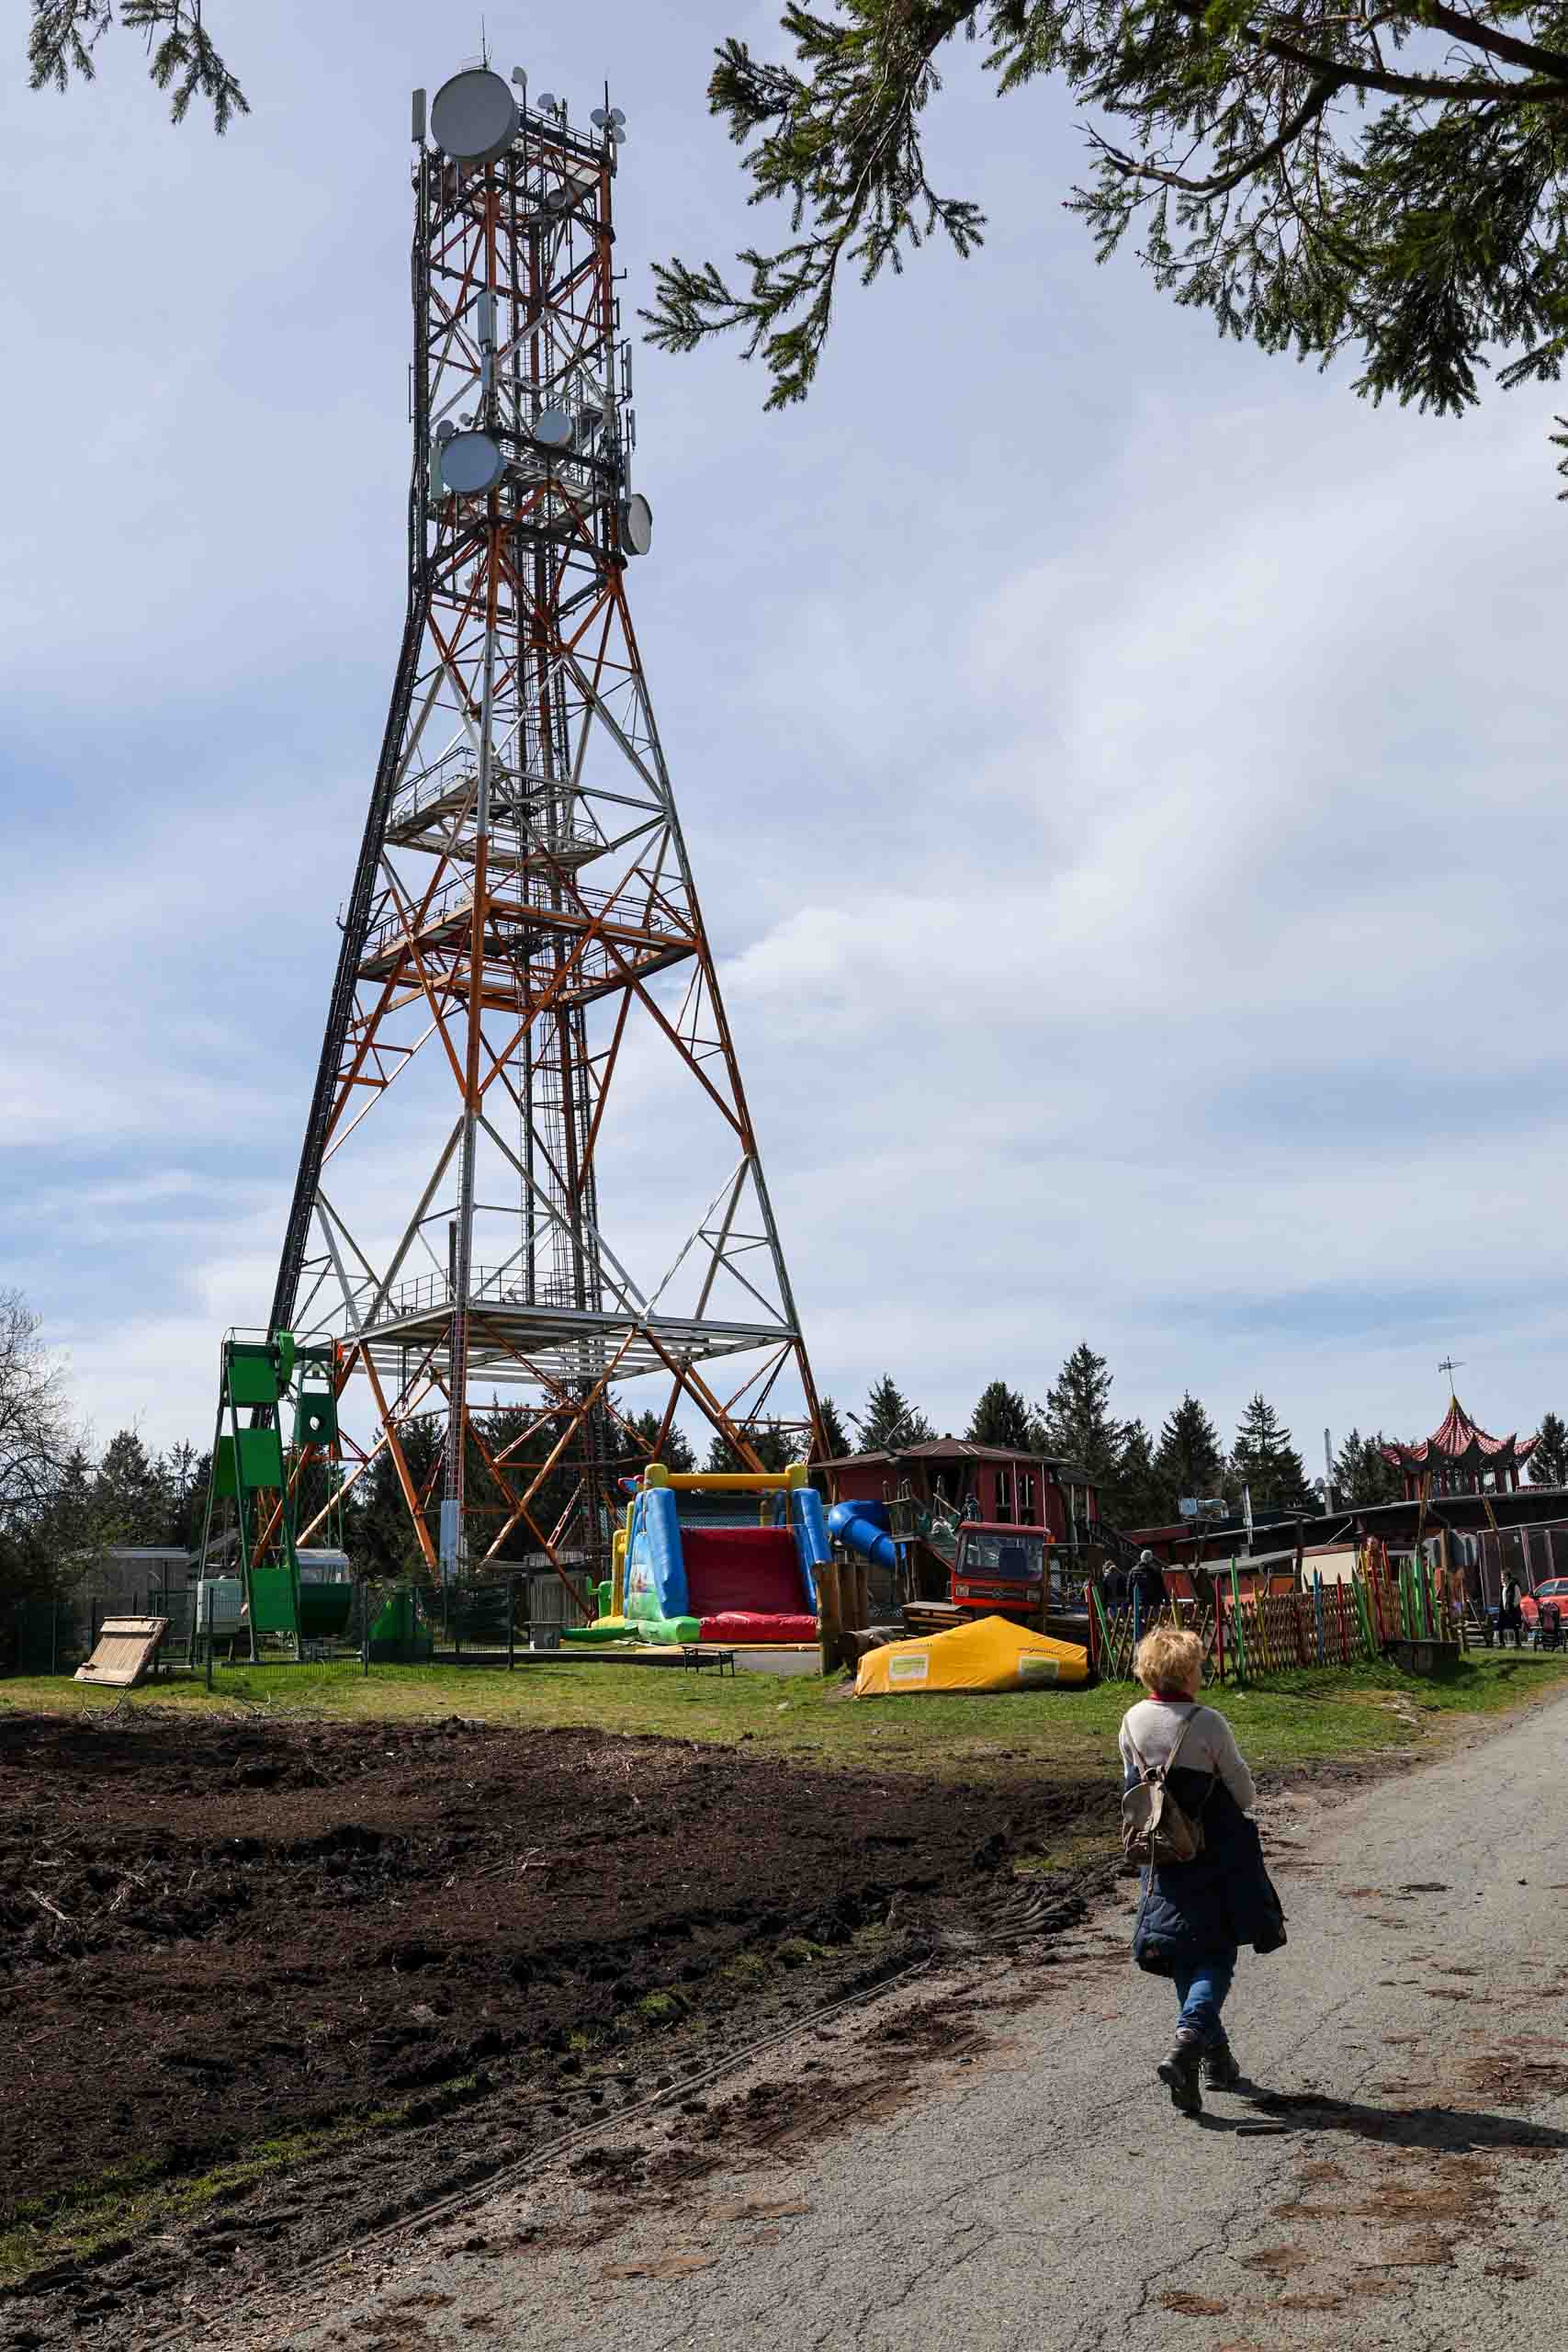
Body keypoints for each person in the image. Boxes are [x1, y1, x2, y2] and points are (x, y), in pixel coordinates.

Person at [1120, 1625, 1286, 2117]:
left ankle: (1214, 2062)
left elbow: (1132, 1788)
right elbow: (1244, 1794)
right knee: (1214, 1956)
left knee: (1181, 1953)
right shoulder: (1207, 1723)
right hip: (1215, 1855)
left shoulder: (1131, 1720)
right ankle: (1189, 2039)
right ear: (1187, 1672)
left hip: (1162, 1853)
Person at [1132, 1549, 1167, 1623]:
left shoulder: (1133, 1571)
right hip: (1154, 1602)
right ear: (1150, 1558)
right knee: (1156, 1622)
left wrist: (1131, 1602)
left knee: (1142, 1623)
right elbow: (1161, 1587)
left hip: (1139, 1602)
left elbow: (1129, 1587)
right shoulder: (1155, 1570)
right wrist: (1167, 1601)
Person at [1498, 1570, 1525, 1649]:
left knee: (1515, 1627)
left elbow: (1519, 1597)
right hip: (1504, 1610)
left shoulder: (1514, 1585)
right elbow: (1503, 1599)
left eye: (1503, 1577)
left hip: (1513, 1610)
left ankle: (1518, 1644)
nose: (1502, 1579)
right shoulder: (1503, 1586)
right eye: (1501, 1577)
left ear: (1507, 1577)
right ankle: (1501, 1643)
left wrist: (1513, 1606)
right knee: (1500, 1626)